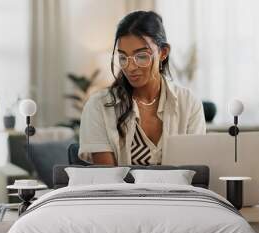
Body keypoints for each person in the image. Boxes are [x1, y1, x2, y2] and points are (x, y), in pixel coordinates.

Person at [79, 10, 206, 166]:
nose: (130, 67)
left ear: (163, 52)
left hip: (179, 191)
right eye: (123, 57)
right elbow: (107, 182)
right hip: (118, 191)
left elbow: (195, 173)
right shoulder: (99, 106)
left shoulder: (189, 103)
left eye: (141, 56)